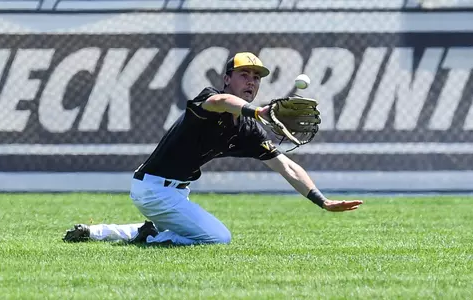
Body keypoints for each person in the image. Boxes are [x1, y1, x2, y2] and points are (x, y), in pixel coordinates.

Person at [62, 52, 363, 245]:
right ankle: (151, 237)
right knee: (219, 238)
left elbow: (286, 166)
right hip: (154, 189)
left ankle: (103, 232)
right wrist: (256, 111)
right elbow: (223, 103)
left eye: (256, 77)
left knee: (191, 231)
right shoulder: (211, 99)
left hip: (174, 192)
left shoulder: (247, 130)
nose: (251, 81)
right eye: (244, 74)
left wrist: (322, 201)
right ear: (227, 79)